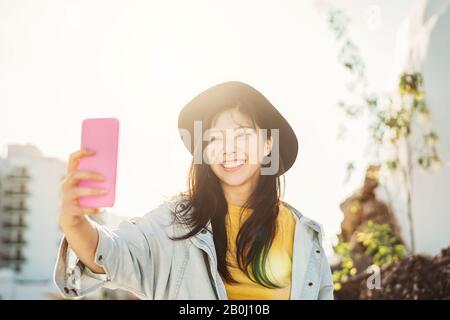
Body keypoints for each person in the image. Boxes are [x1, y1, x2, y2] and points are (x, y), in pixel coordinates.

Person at [54, 81, 334, 300]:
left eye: (242, 134)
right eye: (214, 138)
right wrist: (75, 222)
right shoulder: (174, 224)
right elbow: (112, 254)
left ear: (268, 143)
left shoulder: (305, 236)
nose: (228, 149)